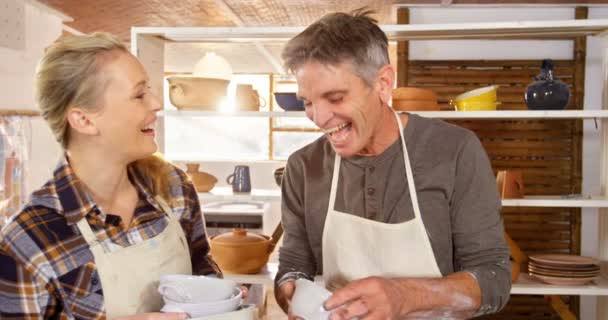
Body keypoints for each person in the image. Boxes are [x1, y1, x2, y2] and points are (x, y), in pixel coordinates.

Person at [274, 9, 511, 319]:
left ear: (383, 83)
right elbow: (293, 264)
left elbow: (494, 278)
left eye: (334, 98)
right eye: (307, 101)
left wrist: (405, 296)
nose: (318, 118)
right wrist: (292, 293)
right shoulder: (303, 167)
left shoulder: (454, 151)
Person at [0, 32, 220, 319]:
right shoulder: (28, 241)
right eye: (139, 94)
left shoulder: (174, 187)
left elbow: (204, 272)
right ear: (84, 120)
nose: (156, 103)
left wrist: (223, 300)